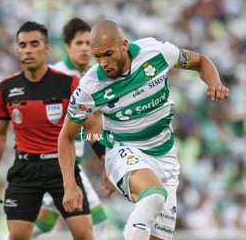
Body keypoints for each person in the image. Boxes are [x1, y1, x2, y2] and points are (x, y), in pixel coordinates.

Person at [58, 20, 230, 240]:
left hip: (166, 156)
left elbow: (201, 61)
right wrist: (69, 185)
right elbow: (66, 136)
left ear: (124, 45)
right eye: (97, 57)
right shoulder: (90, 86)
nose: (103, 63)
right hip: (123, 150)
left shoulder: (156, 53)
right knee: (154, 195)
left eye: (108, 54)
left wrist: (214, 82)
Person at [0, 21, 94, 240]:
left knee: (85, 235)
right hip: (25, 168)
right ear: (17, 50)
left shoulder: (67, 83)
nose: (28, 50)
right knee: (17, 236)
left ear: (47, 48)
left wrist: (104, 158)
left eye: (34, 44)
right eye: (23, 45)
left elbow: (91, 125)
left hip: (61, 167)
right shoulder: (6, 88)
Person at [28, 18, 108, 239]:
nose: (84, 49)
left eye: (87, 43)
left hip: (72, 162)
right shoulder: (54, 76)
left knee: (42, 225)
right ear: (67, 46)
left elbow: (96, 123)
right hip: (54, 163)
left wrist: (105, 158)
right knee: (98, 222)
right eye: (78, 43)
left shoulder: (95, 77)